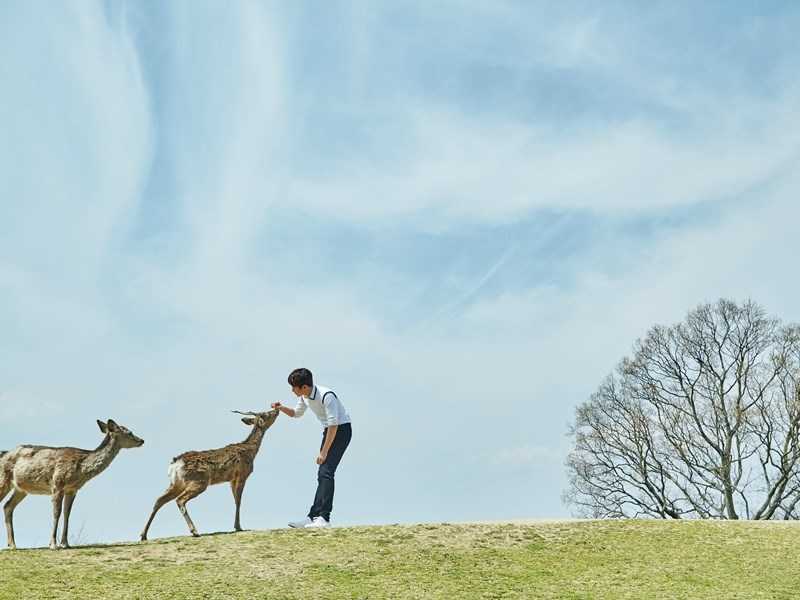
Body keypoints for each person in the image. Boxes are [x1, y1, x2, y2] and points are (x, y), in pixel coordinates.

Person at [271, 367, 352, 528]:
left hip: (341, 431)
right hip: (329, 430)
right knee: (322, 473)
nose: (292, 390)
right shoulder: (305, 396)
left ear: (304, 387)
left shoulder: (326, 396)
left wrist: (323, 452)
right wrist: (281, 408)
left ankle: (324, 518)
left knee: (326, 472)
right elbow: (296, 413)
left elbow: (334, 425)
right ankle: (313, 516)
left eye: (294, 387)